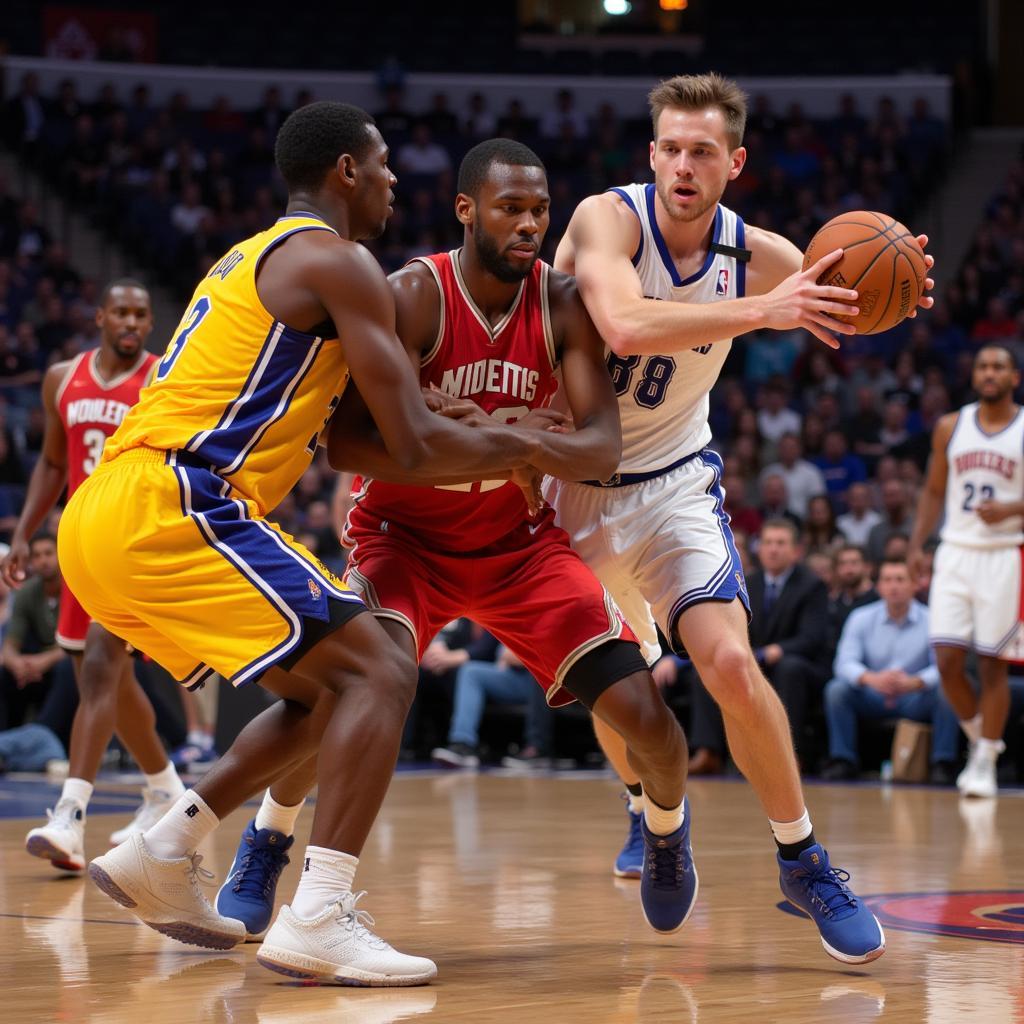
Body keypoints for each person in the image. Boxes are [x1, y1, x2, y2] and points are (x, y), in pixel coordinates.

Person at [62, 103, 556, 986]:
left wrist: (471, 425)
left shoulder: (253, 256)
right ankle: (320, 913)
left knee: (327, 688)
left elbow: (371, 420)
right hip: (178, 500)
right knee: (382, 668)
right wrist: (527, 446)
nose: (398, 181)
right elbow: (407, 441)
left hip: (111, 514)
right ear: (345, 173)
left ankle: (164, 847)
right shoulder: (342, 260)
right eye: (385, 164)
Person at [217, 139, 695, 945]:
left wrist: (512, 445)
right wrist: (503, 440)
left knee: (647, 716)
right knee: (348, 695)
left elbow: (601, 448)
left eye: (541, 209)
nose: (531, 224)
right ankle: (268, 838)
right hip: (402, 540)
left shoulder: (565, 302)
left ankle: (667, 828)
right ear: (467, 209)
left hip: (519, 546)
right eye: (512, 208)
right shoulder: (413, 293)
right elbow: (352, 445)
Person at [549, 72, 932, 964]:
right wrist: (767, 310)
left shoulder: (763, 253)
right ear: (652, 155)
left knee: (724, 658)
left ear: (735, 163)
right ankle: (655, 817)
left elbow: (846, 296)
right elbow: (625, 324)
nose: (685, 165)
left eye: (704, 152)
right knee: (627, 694)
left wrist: (896, 285)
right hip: (567, 489)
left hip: (676, 481)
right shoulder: (607, 221)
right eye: (672, 148)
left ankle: (802, 857)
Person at [0, 281, 189, 874]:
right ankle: (165, 790)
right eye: (122, 313)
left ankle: (70, 815)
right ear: (102, 317)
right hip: (79, 540)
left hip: (132, 541)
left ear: (149, 321)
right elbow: (54, 463)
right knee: (102, 679)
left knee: (103, 668)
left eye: (142, 314)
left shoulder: (165, 376)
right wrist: (26, 534)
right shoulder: (62, 377)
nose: (132, 322)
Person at [909, 345, 1024, 798]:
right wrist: (919, 544)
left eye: (999, 366)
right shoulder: (950, 426)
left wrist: (1012, 508)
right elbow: (934, 491)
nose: (990, 372)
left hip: (1005, 552)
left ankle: (984, 759)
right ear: (973, 375)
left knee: (992, 666)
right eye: (982, 365)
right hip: (956, 550)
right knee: (947, 660)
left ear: (1014, 377)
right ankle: (983, 742)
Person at [688, 519, 831, 771]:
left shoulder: (812, 585)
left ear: (796, 551)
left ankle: (787, 755)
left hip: (798, 664)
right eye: (767, 543)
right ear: (759, 549)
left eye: (780, 543)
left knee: (789, 668)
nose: (773, 549)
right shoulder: (746, 581)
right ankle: (709, 751)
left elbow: (813, 637)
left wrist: (779, 650)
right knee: (709, 669)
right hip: (754, 658)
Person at [823, 558, 960, 784]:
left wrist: (916, 682)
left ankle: (943, 763)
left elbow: (943, 667)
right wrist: (870, 678)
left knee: (947, 690)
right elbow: (844, 663)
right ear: (879, 586)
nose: (894, 586)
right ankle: (842, 760)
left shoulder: (933, 619)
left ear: (914, 584)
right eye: (887, 580)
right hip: (872, 694)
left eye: (900, 580)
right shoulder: (861, 617)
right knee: (837, 690)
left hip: (914, 696)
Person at [431, 638, 553, 770]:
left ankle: (536, 749)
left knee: (540, 673)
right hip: (514, 676)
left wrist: (518, 654)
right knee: (471, 672)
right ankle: (462, 744)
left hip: (543, 677)